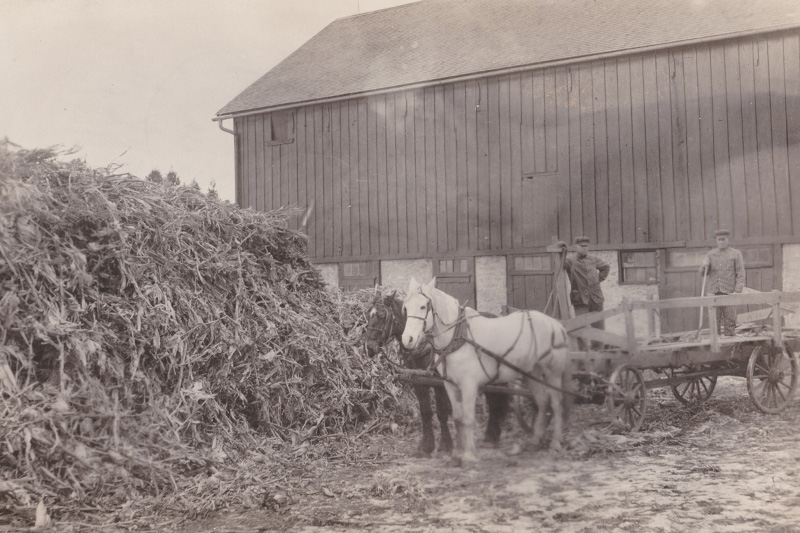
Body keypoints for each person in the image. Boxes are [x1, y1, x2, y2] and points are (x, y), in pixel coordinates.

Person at [562, 236, 610, 344]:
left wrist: (598, 280)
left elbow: (606, 267)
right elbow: (559, 264)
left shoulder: (593, 259)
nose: (585, 248)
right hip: (580, 300)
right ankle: (582, 350)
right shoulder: (570, 261)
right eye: (582, 246)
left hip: (596, 299)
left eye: (586, 246)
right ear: (576, 247)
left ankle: (598, 350)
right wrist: (562, 251)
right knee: (580, 327)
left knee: (598, 327)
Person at [699, 229, 745, 336]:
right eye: (719, 240)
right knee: (714, 321)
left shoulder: (736, 254)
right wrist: (704, 266)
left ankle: (730, 344)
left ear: (728, 240)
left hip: (729, 292)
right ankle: (716, 344)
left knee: (730, 321)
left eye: (723, 239)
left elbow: (741, 273)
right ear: (716, 240)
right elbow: (703, 273)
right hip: (713, 292)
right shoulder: (710, 254)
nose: (721, 242)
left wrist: (737, 291)